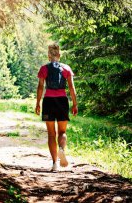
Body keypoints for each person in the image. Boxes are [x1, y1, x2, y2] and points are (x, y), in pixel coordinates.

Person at [35, 43, 78, 172]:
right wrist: (75, 104)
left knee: (51, 134)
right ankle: (61, 149)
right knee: (62, 132)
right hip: (62, 101)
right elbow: (71, 88)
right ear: (59, 55)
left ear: (49, 56)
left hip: (48, 101)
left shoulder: (44, 69)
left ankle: (54, 164)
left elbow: (41, 87)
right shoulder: (66, 68)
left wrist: (37, 103)